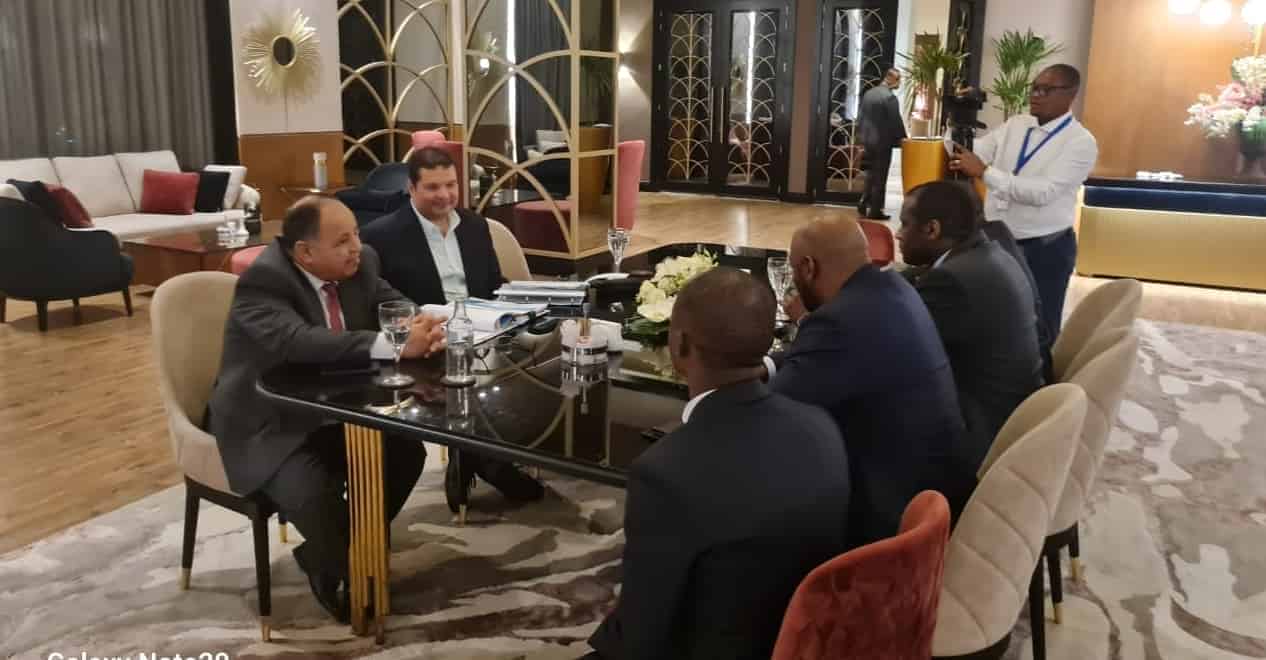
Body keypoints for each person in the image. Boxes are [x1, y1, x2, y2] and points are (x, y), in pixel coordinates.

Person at [588, 268, 850, 660]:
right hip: (809, 638)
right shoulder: (821, 426)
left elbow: (642, 635)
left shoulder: (664, 474)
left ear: (679, 345)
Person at [207, 197, 446, 622]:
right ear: (305, 252)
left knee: (405, 453)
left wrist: (420, 327)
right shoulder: (264, 281)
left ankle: (326, 554)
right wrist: (393, 344)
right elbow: (299, 342)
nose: (357, 246)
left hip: (338, 405)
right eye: (342, 240)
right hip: (268, 419)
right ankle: (343, 565)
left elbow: (397, 306)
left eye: (356, 233)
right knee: (313, 491)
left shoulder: (360, 264)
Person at [360, 147, 544, 506]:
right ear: (411, 189)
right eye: (432, 187)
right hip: (430, 344)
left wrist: (516, 306)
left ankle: (473, 455)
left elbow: (493, 283)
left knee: (537, 379)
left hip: (485, 334)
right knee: (462, 388)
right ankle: (489, 463)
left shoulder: (475, 225)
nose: (444, 195)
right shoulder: (380, 235)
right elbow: (380, 303)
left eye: (451, 185)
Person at [769, 217, 967, 546]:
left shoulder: (839, 321)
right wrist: (765, 364)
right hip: (935, 490)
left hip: (891, 517)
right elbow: (815, 360)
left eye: (793, 269)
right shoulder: (893, 288)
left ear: (808, 268)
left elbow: (773, 406)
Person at [896, 180, 1045, 489]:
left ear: (932, 229)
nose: (897, 234)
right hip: (1013, 412)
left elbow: (894, 345)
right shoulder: (989, 251)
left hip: (981, 436)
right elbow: (918, 279)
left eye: (905, 224)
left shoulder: (953, 281)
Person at [947, 64, 1098, 337]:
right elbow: (971, 152)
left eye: (1046, 90)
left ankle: (1042, 368)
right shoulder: (1016, 125)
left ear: (1070, 94)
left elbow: (1043, 192)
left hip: (1044, 249)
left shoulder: (1080, 142)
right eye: (1034, 88)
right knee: (995, 322)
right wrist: (959, 121)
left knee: (1039, 329)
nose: (1036, 95)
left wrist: (984, 173)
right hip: (997, 242)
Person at [857, 67, 907, 220]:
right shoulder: (890, 98)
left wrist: (861, 137)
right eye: (898, 80)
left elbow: (861, 117)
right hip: (882, 143)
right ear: (890, 79)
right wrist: (903, 139)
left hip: (867, 140)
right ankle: (875, 210)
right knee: (880, 176)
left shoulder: (869, 94)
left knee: (871, 173)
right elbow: (896, 121)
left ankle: (863, 201)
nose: (899, 83)